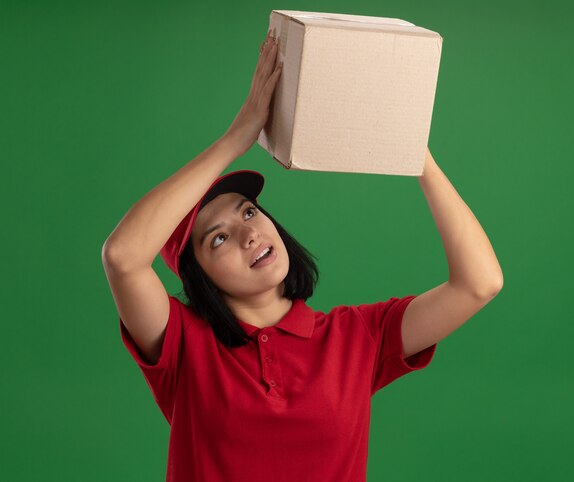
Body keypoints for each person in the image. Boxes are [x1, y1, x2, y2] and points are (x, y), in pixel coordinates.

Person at [102, 29, 502, 482]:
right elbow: (123, 256)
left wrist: (413, 150)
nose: (248, 234)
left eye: (249, 212)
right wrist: (237, 139)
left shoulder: (358, 338)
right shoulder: (183, 345)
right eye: (217, 239)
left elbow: (480, 282)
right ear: (201, 277)